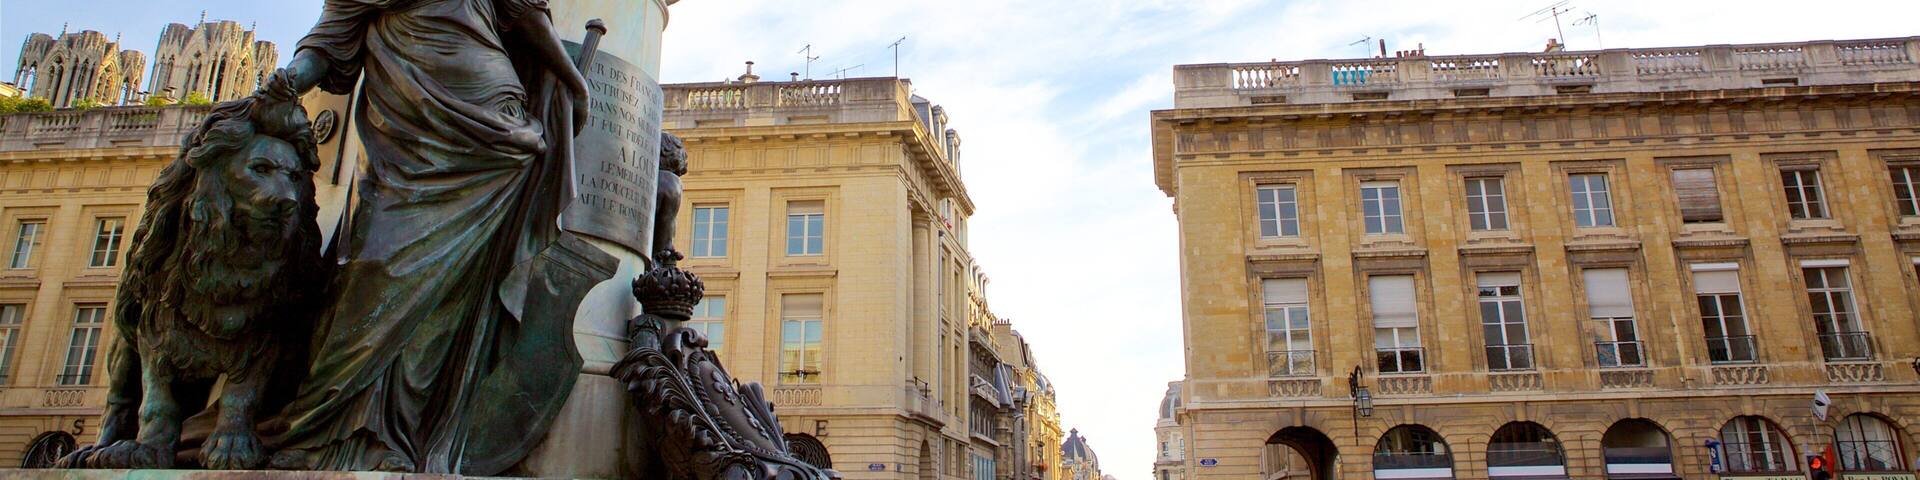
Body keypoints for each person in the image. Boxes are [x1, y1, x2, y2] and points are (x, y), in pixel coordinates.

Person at [254, 0, 589, 473]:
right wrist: (288, 81)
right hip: (405, 120)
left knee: (449, 291)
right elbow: (327, 41)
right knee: (375, 267)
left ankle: (395, 433)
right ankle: (323, 425)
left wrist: (574, 80)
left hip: (493, 127)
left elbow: (525, 10)